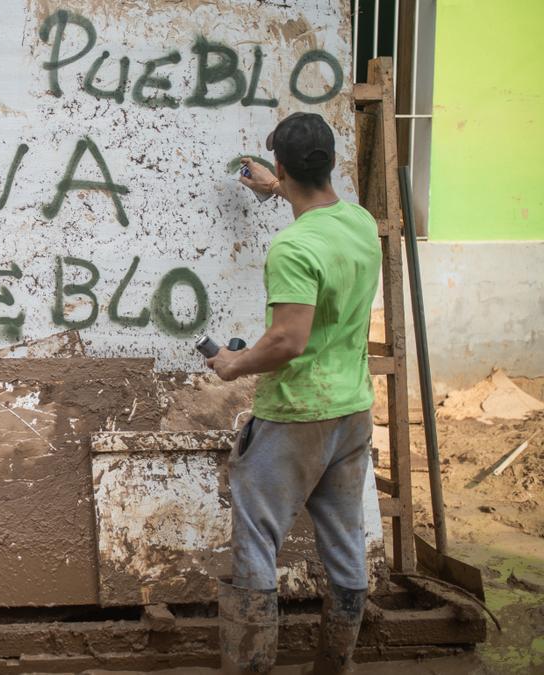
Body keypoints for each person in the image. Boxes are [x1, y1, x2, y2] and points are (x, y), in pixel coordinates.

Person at [207, 112, 382, 674]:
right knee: (344, 540)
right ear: (328, 161)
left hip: (296, 416)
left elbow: (287, 340)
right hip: (351, 412)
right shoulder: (358, 222)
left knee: (257, 540)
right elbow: (314, 199)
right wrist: (278, 185)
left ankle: (252, 665)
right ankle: (336, 664)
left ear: (281, 164)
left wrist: (234, 365)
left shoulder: (293, 248)